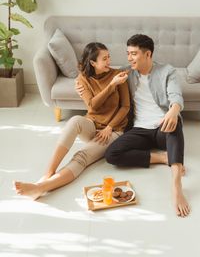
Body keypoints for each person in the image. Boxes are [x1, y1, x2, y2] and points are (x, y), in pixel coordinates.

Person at [14, 42, 130, 200]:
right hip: (92, 124)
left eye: (109, 57)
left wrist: (110, 127)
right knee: (75, 120)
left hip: (112, 131)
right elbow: (93, 106)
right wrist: (111, 85)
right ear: (93, 63)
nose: (109, 61)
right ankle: (49, 172)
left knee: (81, 156)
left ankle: (41, 187)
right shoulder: (83, 79)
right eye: (104, 58)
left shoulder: (118, 75)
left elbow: (125, 107)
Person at [104, 34, 190, 217]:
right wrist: (83, 84)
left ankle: (176, 186)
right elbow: (99, 72)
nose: (129, 58)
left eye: (133, 54)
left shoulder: (167, 71)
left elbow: (176, 96)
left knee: (174, 124)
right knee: (111, 154)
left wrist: (174, 111)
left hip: (162, 127)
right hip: (139, 129)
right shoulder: (126, 72)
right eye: (128, 53)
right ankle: (162, 158)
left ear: (148, 54)